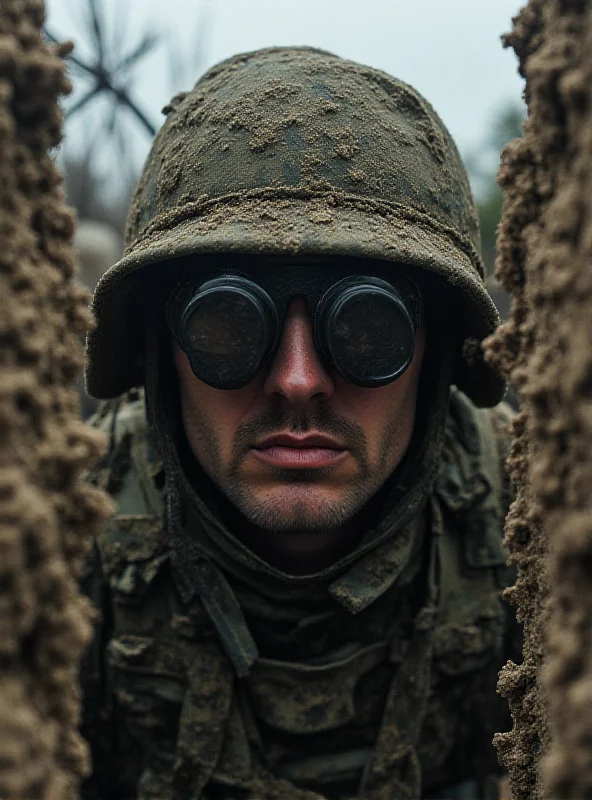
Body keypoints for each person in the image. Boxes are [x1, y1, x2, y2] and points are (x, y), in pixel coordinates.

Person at [80, 47, 518, 800]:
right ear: (161, 348)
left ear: (436, 352)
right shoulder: (55, 535)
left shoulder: (533, 523)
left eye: (368, 330)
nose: (298, 381)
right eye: (225, 324)